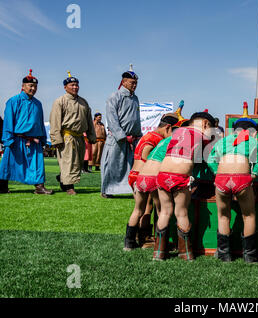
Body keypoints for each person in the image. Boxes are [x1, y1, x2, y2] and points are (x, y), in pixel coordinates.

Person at [153, 110, 215, 261]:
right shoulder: (202, 137)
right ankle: (185, 253)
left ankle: (159, 253)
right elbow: (209, 157)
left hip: (162, 174)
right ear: (205, 124)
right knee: (181, 213)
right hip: (180, 177)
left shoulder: (178, 132)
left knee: (164, 212)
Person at [207, 106, 258, 263]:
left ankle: (224, 254)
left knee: (223, 216)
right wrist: (253, 175)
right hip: (242, 178)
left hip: (221, 178)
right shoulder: (254, 141)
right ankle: (250, 255)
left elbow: (211, 160)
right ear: (253, 132)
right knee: (249, 215)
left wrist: (216, 174)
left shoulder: (222, 141)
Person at [123, 114, 178, 251]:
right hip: (146, 176)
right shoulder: (156, 139)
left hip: (135, 175)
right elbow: (147, 158)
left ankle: (129, 243)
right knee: (152, 209)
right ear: (168, 127)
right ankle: (146, 240)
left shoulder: (148, 135)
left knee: (139, 209)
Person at [0, 69, 53, 195]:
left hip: (34, 140)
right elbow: (8, 121)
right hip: (16, 139)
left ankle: (39, 187)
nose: (33, 88)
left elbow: (40, 122)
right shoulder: (13, 101)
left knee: (37, 164)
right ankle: (1, 187)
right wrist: (8, 139)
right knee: (8, 164)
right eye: (30, 86)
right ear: (23, 87)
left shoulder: (38, 104)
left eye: (35, 86)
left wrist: (43, 140)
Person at [50, 72, 96, 195]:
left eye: (76, 85)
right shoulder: (60, 101)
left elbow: (89, 121)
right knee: (68, 161)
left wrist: (91, 136)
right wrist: (56, 139)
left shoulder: (83, 102)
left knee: (78, 163)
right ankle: (69, 186)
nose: (75, 87)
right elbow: (55, 121)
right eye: (72, 85)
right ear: (65, 87)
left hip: (80, 137)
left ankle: (62, 178)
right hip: (66, 136)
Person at [101, 65, 142, 197]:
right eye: (132, 82)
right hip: (118, 139)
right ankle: (107, 190)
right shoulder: (115, 96)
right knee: (113, 165)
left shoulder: (135, 98)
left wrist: (137, 135)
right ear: (124, 82)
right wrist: (122, 136)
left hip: (133, 139)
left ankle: (129, 189)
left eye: (136, 83)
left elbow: (136, 119)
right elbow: (112, 119)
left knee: (130, 166)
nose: (134, 85)